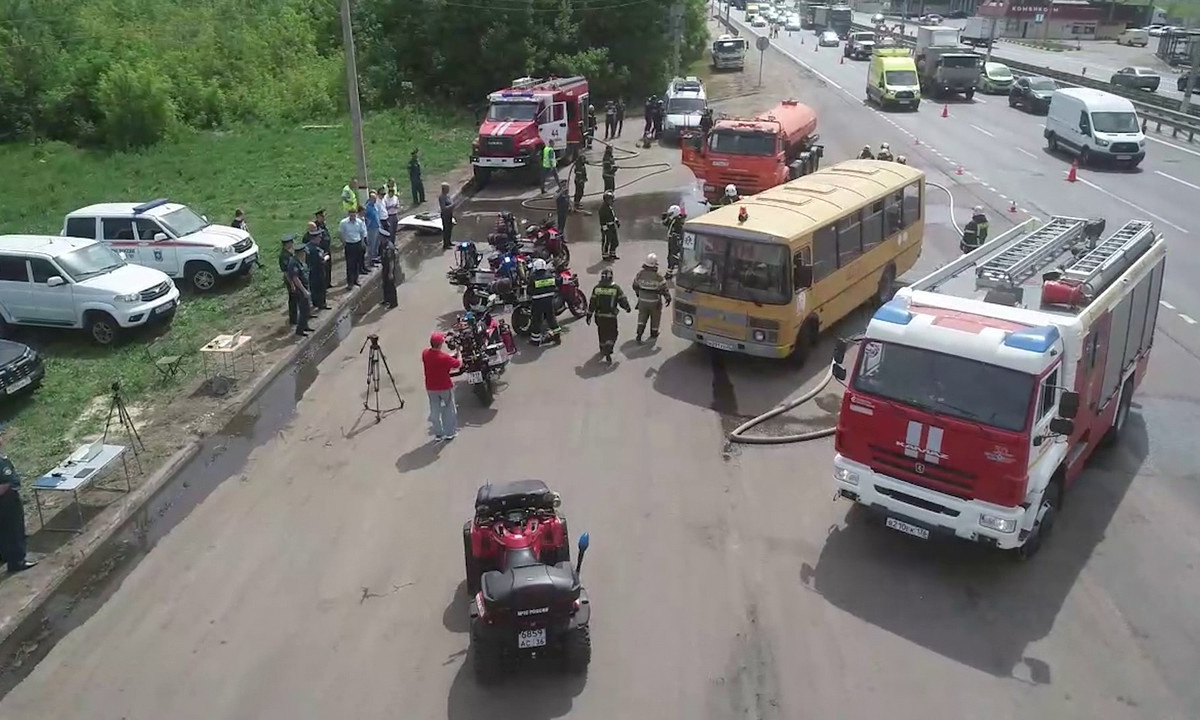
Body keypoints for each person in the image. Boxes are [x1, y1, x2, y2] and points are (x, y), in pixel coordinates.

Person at [0, 426, 36, 573]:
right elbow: (5, 482)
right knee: (14, 529)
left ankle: (6, 556)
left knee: (4, 531)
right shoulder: (1, 461)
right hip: (7, 500)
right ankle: (17, 561)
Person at [585, 268, 632, 363]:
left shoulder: (597, 288)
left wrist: (589, 315)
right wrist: (627, 308)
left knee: (602, 332)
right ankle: (609, 348)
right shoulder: (615, 288)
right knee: (613, 333)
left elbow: (592, 303)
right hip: (611, 317)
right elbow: (622, 300)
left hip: (599, 316)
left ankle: (603, 349)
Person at [422, 332, 462, 441]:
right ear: (440, 344)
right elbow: (458, 364)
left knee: (434, 410)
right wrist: (459, 353)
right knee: (449, 410)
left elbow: (436, 347)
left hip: (430, 387)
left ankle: (438, 434)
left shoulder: (425, 353)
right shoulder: (444, 358)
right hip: (444, 387)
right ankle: (450, 433)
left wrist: (443, 336)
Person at [632, 253, 671, 343]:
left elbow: (635, 285)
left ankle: (639, 333)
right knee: (655, 317)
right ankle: (654, 333)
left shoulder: (640, 274)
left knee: (642, 316)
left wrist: (639, 294)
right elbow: (664, 289)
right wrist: (668, 297)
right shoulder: (658, 277)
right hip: (655, 301)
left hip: (642, 300)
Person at [527, 258, 562, 345]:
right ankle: (557, 337)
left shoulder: (533, 277)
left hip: (537, 302)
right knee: (551, 318)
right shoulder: (549, 275)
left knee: (536, 320)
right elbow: (558, 282)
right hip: (549, 300)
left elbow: (529, 291)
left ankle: (535, 341)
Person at [287, 244, 313, 336]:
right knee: (304, 310)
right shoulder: (294, 263)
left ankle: (305, 326)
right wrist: (304, 291)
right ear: (300, 253)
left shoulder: (299, 261)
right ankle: (300, 330)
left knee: (307, 309)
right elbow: (295, 278)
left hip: (305, 287)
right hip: (300, 291)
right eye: (304, 253)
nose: (305, 254)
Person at [339, 207, 367, 287]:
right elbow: (341, 234)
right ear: (348, 215)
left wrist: (362, 242)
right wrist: (344, 243)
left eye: (354, 215)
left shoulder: (359, 222)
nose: (353, 217)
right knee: (350, 264)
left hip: (357, 243)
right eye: (351, 215)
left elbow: (362, 233)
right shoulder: (343, 223)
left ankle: (356, 279)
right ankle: (350, 282)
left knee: (357, 263)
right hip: (349, 244)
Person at [304, 226, 330, 311]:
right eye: (319, 237)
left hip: (310, 270)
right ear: (315, 238)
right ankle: (322, 304)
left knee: (313, 287)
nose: (320, 239)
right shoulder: (316, 249)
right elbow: (321, 260)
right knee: (321, 287)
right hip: (318, 271)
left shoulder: (307, 247)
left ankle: (315, 302)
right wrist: (326, 257)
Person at [663, 204, 686, 279]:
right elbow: (665, 223)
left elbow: (680, 231)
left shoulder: (678, 221)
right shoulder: (673, 220)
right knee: (670, 256)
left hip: (674, 241)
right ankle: (671, 270)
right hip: (671, 240)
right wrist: (665, 217)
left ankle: (681, 267)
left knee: (672, 256)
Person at [279, 235, 298, 327]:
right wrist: (292, 284)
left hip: (294, 278)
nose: (292, 244)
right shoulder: (284, 256)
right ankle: (293, 319)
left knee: (296, 298)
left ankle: (296, 316)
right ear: (287, 244)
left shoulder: (289, 253)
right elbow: (286, 272)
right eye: (291, 242)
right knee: (293, 299)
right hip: (290, 280)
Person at [314, 209, 334, 288]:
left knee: (328, 267)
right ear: (318, 217)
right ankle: (324, 285)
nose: (324, 217)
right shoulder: (316, 226)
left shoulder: (323, 224)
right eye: (322, 216)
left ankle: (328, 283)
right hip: (321, 250)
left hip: (327, 249)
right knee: (323, 269)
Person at [380, 229, 399, 309]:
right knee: (385, 284)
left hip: (390, 268)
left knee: (391, 285)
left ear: (385, 238)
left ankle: (393, 303)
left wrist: (390, 273)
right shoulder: (383, 245)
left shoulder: (389, 248)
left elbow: (391, 261)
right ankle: (386, 299)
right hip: (385, 267)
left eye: (381, 237)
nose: (380, 238)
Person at [599, 191, 620, 261]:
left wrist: (616, 221)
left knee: (615, 241)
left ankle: (612, 253)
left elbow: (613, 215)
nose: (612, 201)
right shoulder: (602, 209)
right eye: (611, 200)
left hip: (612, 226)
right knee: (606, 241)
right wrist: (605, 229)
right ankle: (605, 255)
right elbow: (602, 220)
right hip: (607, 227)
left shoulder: (609, 207)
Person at [364, 190, 381, 267]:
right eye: (374, 199)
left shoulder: (375, 206)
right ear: (370, 199)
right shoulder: (367, 207)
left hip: (377, 227)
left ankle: (375, 258)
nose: (375, 200)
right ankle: (370, 261)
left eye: (375, 198)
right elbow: (365, 217)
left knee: (376, 244)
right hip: (371, 229)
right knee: (372, 245)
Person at [438, 182, 455, 250]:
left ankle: (449, 241)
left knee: (450, 228)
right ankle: (446, 244)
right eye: (447, 188)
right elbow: (443, 208)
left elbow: (451, 202)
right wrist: (451, 206)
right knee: (446, 229)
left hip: (450, 214)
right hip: (445, 215)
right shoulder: (441, 197)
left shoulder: (448, 196)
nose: (448, 190)